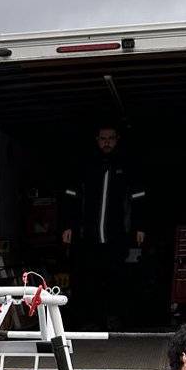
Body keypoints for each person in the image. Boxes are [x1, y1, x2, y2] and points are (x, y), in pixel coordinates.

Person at [61, 125, 145, 331]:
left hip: (117, 234)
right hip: (88, 234)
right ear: (96, 139)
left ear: (117, 139)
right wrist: (68, 226)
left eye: (111, 138)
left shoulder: (127, 164)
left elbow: (138, 199)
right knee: (88, 278)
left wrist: (139, 227)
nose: (107, 142)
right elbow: (72, 196)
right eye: (103, 138)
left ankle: (114, 318)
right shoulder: (85, 164)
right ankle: (91, 319)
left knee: (116, 277)